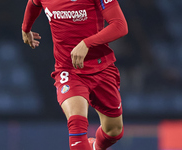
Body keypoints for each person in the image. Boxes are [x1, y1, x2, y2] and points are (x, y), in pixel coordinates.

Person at [22, 0, 128, 149]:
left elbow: (120, 26)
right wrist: (26, 28)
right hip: (68, 70)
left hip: (101, 68)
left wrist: (87, 43)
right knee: (77, 122)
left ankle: (95, 147)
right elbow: (33, 3)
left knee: (114, 131)